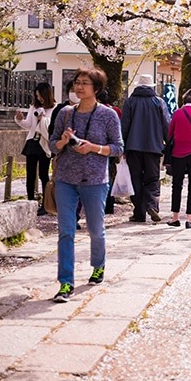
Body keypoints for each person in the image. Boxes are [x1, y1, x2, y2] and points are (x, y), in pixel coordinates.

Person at [49, 68, 124, 303]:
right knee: (66, 231)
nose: (79, 87)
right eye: (77, 82)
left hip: (95, 180)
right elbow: (52, 145)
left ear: (97, 88)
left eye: (85, 83)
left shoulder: (108, 115)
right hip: (65, 179)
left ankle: (98, 265)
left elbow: (118, 148)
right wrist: (62, 141)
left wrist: (93, 148)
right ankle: (66, 283)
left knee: (95, 230)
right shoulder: (65, 113)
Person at [120, 74, 169, 223]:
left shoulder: (130, 102)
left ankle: (139, 213)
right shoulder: (159, 102)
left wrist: (122, 146)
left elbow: (124, 126)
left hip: (133, 147)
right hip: (153, 147)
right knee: (152, 178)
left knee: (135, 179)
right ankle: (152, 205)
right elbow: (166, 124)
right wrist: (168, 143)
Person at [166, 88, 191, 229]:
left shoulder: (177, 113)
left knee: (177, 185)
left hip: (178, 152)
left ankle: (175, 217)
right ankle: (189, 219)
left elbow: (170, 132)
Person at [15, 82, 55, 215]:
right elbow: (28, 125)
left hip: (44, 143)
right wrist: (19, 120)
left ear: (47, 94)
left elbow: (52, 127)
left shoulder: (55, 108)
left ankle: (46, 204)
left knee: (43, 174)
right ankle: (30, 202)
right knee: (30, 174)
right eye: (37, 96)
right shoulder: (34, 107)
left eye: (40, 95)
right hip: (32, 142)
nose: (39, 98)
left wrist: (42, 119)